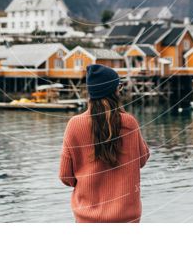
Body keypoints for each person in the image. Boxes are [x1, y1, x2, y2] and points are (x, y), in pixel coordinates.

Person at [59, 64, 150, 222]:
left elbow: (66, 176)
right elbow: (142, 160)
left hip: (88, 219)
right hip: (127, 218)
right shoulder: (129, 122)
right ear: (114, 91)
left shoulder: (74, 125)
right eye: (119, 86)